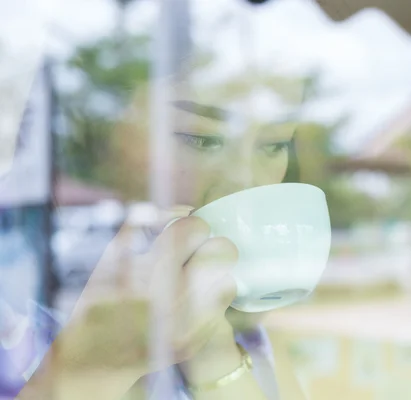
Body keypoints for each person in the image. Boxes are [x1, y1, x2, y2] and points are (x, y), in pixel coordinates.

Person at [16, 39, 311, 400]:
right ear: (104, 140)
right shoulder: (14, 321)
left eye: (274, 145)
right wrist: (96, 362)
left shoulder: (252, 333)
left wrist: (212, 350)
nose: (244, 182)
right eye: (199, 139)